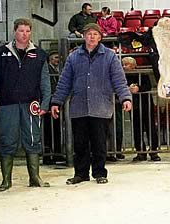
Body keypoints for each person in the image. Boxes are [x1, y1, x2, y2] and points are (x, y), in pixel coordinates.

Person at [51, 23, 132, 185]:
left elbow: (119, 80)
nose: (92, 37)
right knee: (80, 143)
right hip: (79, 107)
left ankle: (100, 172)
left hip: (101, 107)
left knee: (99, 143)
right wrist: (56, 101)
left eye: (95, 34)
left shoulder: (109, 56)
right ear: (83, 36)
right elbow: (64, 82)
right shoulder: (73, 57)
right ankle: (81, 173)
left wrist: (126, 98)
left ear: (100, 37)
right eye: (89, 34)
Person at [0, 18, 51, 191]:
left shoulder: (40, 54)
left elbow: (45, 81)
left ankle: (35, 177)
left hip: (31, 105)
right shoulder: (0, 53)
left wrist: (45, 103)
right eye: (21, 30)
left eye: (28, 31)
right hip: (7, 104)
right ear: (14, 31)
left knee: (32, 139)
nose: (24, 34)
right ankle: (6, 180)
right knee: (7, 140)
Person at [122, 57, 161, 162]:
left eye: (127, 64)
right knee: (136, 128)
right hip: (134, 105)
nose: (125, 67)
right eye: (124, 65)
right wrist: (128, 89)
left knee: (150, 127)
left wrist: (138, 88)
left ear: (134, 65)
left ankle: (154, 151)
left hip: (146, 103)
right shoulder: (123, 76)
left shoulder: (143, 74)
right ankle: (140, 152)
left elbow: (148, 86)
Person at [43, 51, 64, 165]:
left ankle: (56, 154)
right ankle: (49, 155)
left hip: (54, 103)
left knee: (55, 130)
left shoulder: (56, 70)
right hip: (49, 104)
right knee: (48, 131)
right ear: (50, 59)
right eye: (56, 58)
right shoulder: (47, 70)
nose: (58, 60)